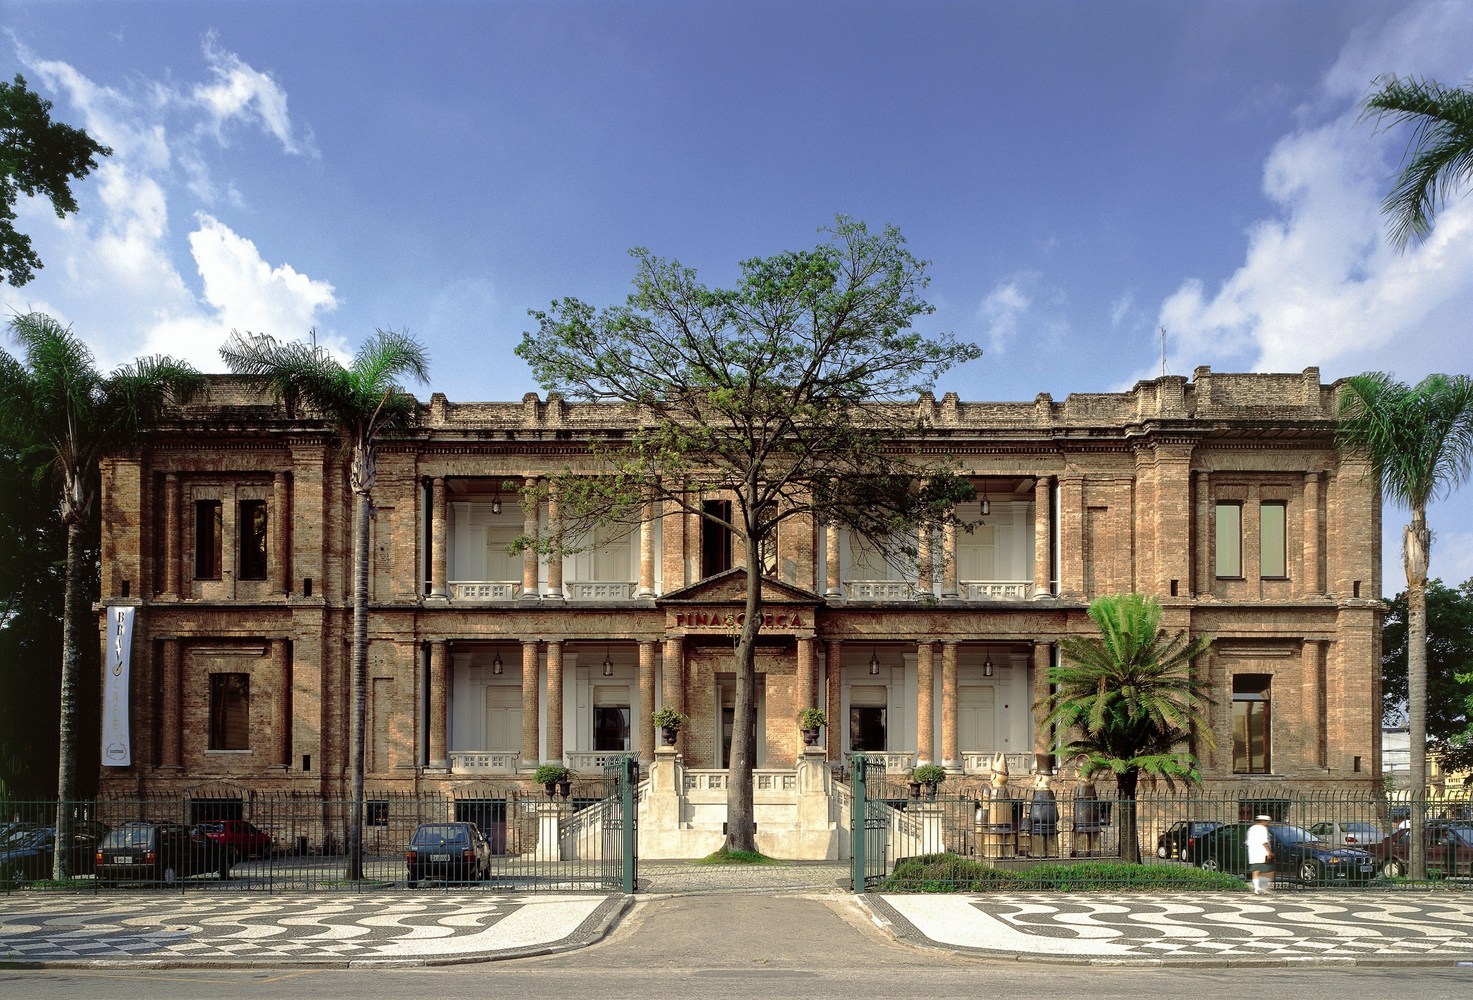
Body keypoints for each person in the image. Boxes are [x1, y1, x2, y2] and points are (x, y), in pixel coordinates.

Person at [1246, 814, 1274, 894]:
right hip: (1262, 853)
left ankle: (1256, 887)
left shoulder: (1251, 829)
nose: (1269, 823)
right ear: (1263, 821)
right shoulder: (1262, 829)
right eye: (1268, 822)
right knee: (1269, 871)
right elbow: (1264, 841)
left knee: (1256, 871)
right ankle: (1262, 886)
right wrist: (1269, 852)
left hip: (1253, 853)